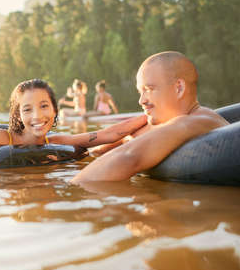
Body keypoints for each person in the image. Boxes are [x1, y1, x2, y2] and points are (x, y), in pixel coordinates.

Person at [0, 79, 147, 184]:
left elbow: (106, 134)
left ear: (54, 109)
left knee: (101, 150)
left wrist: (150, 116)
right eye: (27, 109)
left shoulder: (55, 141)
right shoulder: (0, 137)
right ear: (18, 115)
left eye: (44, 106)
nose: (37, 116)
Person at [71, 51, 229, 183]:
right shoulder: (163, 123)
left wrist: (70, 191)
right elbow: (101, 150)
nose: (141, 100)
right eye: (141, 92)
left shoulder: (196, 121)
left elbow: (129, 157)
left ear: (178, 88)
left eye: (149, 89)